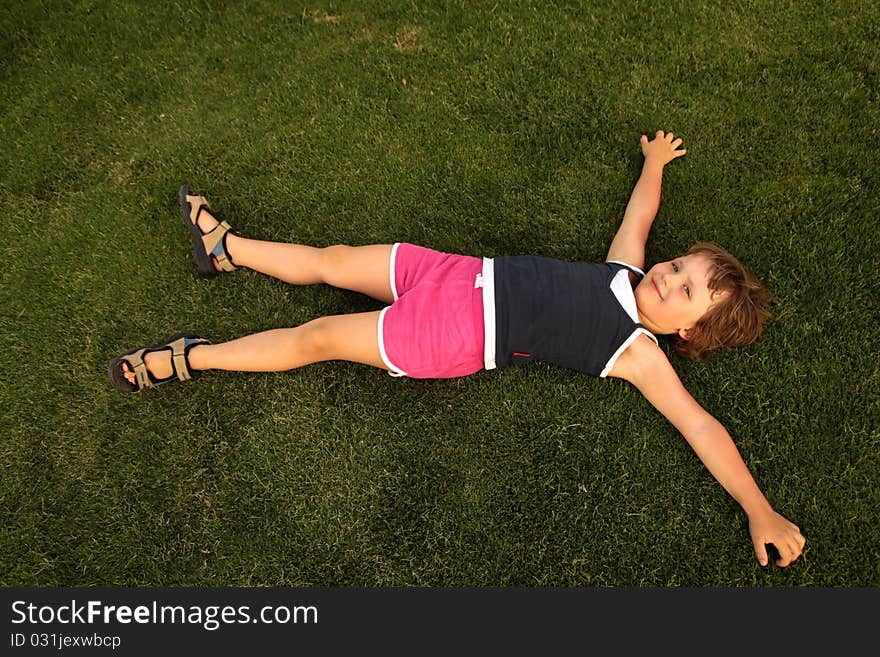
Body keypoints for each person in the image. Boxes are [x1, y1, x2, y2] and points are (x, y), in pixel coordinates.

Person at [109, 130, 806, 567]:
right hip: (455, 272)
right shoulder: (625, 270)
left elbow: (701, 425)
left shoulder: (636, 352)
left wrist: (759, 507)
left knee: (315, 337)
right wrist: (654, 161)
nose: (671, 275)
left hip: (450, 336)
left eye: (686, 291)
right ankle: (224, 248)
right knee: (334, 257)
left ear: (688, 331)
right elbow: (639, 216)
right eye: (681, 266)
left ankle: (191, 356)